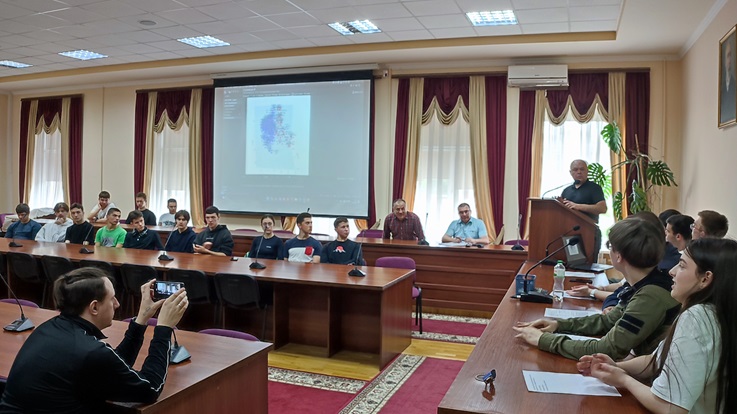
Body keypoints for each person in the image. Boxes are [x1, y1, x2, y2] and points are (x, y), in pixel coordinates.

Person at [578, 238, 737, 414]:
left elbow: (671, 407)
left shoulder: (697, 317)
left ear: (705, 279)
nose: (672, 271)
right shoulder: (713, 312)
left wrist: (623, 379)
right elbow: (657, 361)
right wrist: (616, 366)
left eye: (682, 266)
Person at [0, 267, 188, 413]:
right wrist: (164, 329)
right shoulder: (89, 351)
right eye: (112, 299)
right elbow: (151, 389)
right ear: (94, 307)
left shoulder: (50, 328)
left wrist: (141, 319)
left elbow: (113, 367)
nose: (117, 304)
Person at [513, 218, 681, 361]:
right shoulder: (643, 282)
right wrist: (558, 324)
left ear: (618, 256)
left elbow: (608, 349)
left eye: (610, 246)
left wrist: (543, 340)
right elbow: (607, 322)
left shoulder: (651, 295)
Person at [559, 159, 607, 258]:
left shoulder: (594, 188)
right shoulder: (566, 190)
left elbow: (602, 208)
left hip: (589, 232)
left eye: (582, 169)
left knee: (588, 264)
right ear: (571, 172)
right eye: (575, 169)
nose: (579, 172)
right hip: (569, 233)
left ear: (587, 171)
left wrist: (577, 206)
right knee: (570, 263)